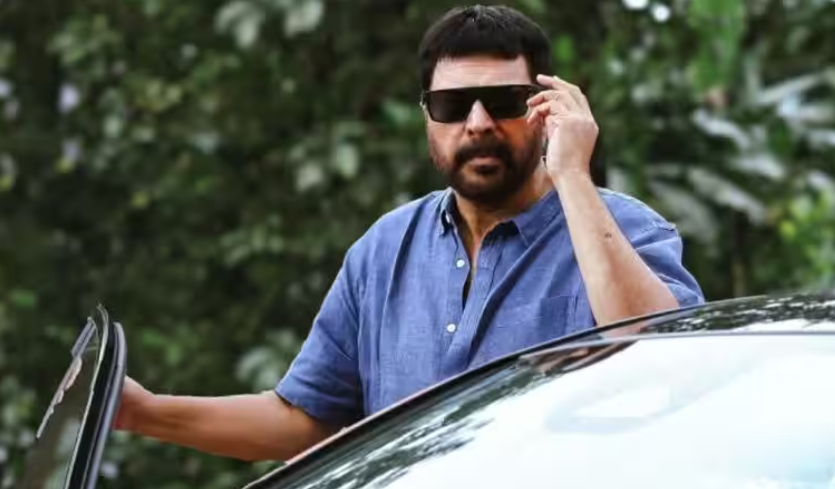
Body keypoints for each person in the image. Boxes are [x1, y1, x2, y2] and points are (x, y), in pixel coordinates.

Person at [114, 4, 704, 462]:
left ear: (546, 107)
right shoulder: (385, 249)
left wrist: (572, 173)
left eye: (503, 101)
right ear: (427, 117)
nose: (478, 123)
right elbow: (307, 420)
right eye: (452, 106)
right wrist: (143, 413)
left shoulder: (622, 229)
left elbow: (663, 362)